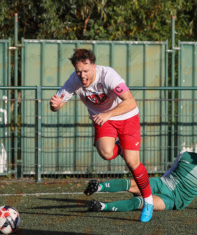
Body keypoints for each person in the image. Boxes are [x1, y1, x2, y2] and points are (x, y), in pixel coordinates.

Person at [50, 48, 154, 222]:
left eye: (86, 71)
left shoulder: (108, 75)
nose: (82, 75)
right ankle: (119, 147)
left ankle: (148, 202)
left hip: (127, 117)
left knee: (132, 162)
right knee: (106, 153)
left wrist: (108, 114)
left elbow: (130, 102)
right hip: (104, 120)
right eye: (78, 71)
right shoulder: (74, 80)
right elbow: (57, 104)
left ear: (94, 67)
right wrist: (55, 105)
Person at [84, 132, 197, 214]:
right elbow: (171, 171)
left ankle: (102, 206)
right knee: (130, 183)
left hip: (173, 200)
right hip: (161, 183)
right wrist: (156, 183)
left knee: (141, 202)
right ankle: (98, 187)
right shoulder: (185, 156)